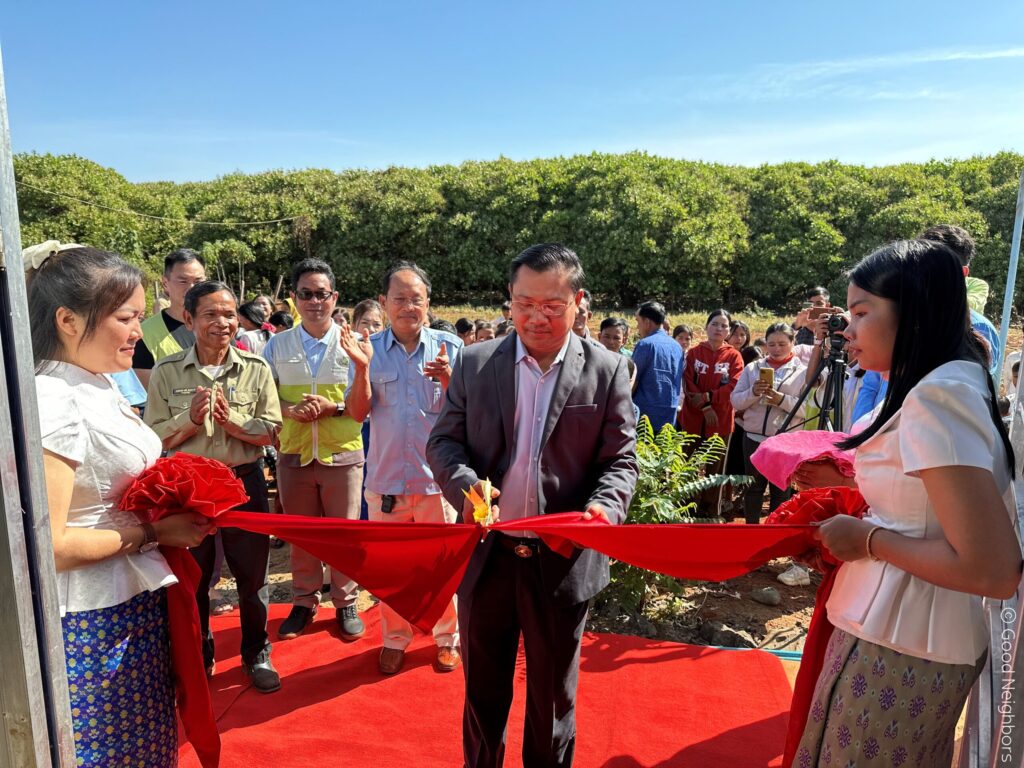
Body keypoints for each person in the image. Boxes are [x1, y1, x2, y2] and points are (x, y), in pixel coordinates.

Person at [793, 239, 1022, 767]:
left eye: (861, 312)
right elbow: (927, 506)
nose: (846, 330)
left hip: (906, 639)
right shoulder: (946, 385)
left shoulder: (936, 398)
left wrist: (868, 538)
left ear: (913, 314)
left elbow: (992, 570)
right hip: (897, 629)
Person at [427, 243, 638, 768]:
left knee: (552, 699)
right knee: (483, 697)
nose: (536, 317)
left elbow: (621, 460)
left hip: (562, 558)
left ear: (578, 302)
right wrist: (466, 485)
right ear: (509, 301)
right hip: (490, 555)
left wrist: (604, 510)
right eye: (524, 304)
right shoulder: (475, 363)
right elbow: (443, 444)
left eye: (552, 305)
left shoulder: (608, 370)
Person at [27, 245, 212, 767]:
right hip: (89, 618)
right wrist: (156, 533)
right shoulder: (53, 396)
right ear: (67, 320)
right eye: (127, 317)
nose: (140, 331)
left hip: (131, 600)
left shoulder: (101, 382)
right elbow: (54, 544)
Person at [145, 281, 284, 692]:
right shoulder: (167, 373)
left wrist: (232, 423)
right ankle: (199, 654)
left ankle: (256, 651)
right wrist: (188, 420)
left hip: (243, 485)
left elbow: (273, 431)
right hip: (188, 490)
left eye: (228, 314)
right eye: (210, 314)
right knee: (195, 578)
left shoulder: (255, 369)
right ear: (188, 319)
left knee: (252, 577)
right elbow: (152, 438)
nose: (222, 323)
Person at [363, 262, 465, 675]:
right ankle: (395, 638)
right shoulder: (366, 349)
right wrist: (356, 367)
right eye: (399, 298)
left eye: (416, 299)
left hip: (435, 480)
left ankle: (447, 638)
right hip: (385, 479)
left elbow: (467, 412)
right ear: (384, 303)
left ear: (428, 303)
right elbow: (356, 413)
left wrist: (448, 380)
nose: (408, 306)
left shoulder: (450, 347)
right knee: (393, 569)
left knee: (441, 568)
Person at [262, 258, 371, 641]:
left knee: (343, 535)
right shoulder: (276, 345)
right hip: (294, 454)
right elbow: (265, 398)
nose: (314, 302)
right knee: (302, 536)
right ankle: (304, 601)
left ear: (334, 297)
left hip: (341, 453)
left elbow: (362, 407)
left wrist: (334, 407)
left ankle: (346, 601)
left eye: (321, 294)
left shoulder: (353, 344)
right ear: (293, 299)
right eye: (305, 294)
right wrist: (288, 410)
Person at [730, 323, 806, 526]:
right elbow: (735, 401)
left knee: (781, 490)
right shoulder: (753, 368)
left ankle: (774, 537)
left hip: (784, 441)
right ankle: (752, 533)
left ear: (792, 343)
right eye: (771, 344)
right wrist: (753, 393)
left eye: (782, 343)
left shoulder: (803, 372)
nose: (777, 349)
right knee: (753, 488)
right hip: (754, 438)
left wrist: (781, 399)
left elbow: (807, 409)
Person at [681, 309, 744, 516]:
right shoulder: (694, 353)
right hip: (692, 419)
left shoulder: (734, 356)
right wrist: (704, 407)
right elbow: (688, 381)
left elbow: (734, 384)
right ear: (706, 326)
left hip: (721, 421)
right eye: (715, 324)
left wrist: (709, 397)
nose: (719, 328)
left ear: (729, 331)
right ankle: (686, 508)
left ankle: (709, 512)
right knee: (688, 465)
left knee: (714, 469)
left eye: (724, 325)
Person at [920, 224, 1001, 378]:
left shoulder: (979, 329)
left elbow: (967, 391)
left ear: (963, 273)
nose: (927, 274)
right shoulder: (906, 317)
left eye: (940, 268)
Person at [133, 248, 206, 388]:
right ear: (165, 283)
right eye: (183, 281)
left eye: (198, 281)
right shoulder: (145, 334)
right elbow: (151, 394)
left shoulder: (220, 326)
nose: (191, 288)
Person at [631, 300, 684, 430]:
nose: (638, 327)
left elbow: (633, 381)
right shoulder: (677, 346)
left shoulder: (645, 344)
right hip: (670, 415)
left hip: (645, 416)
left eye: (638, 322)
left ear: (647, 322)